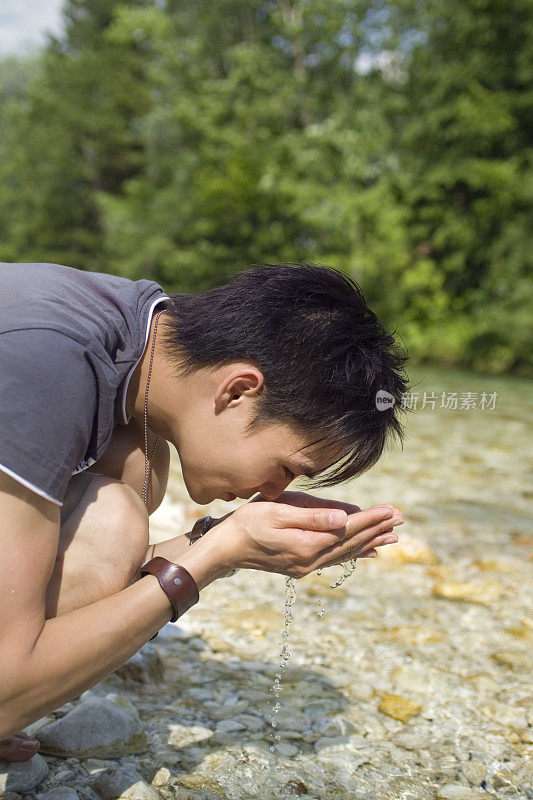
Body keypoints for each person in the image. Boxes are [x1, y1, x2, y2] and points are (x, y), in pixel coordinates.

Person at [0, 261, 407, 761]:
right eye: (286, 467)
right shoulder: (50, 360)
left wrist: (228, 541)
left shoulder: (135, 340)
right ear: (238, 390)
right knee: (114, 519)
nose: (276, 490)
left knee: (134, 471)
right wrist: (210, 560)